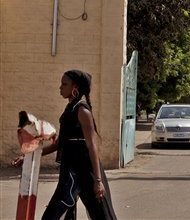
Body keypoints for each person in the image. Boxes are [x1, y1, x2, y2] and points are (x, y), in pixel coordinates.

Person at [12, 70, 117, 219]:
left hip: (87, 173)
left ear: (76, 87)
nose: (60, 87)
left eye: (64, 84)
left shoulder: (82, 110)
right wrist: (29, 156)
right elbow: (60, 143)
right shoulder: (69, 109)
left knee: (103, 216)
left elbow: (92, 146)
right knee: (54, 215)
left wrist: (98, 181)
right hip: (70, 172)